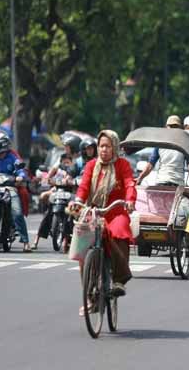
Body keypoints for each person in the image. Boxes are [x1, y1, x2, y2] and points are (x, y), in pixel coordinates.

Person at [70, 130, 136, 315]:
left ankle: (119, 280)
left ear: (114, 147)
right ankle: (90, 297)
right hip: (94, 212)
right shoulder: (91, 165)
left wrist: (130, 200)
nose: (103, 150)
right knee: (83, 247)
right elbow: (83, 187)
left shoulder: (122, 165)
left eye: (107, 146)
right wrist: (77, 201)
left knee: (120, 230)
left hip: (115, 211)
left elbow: (130, 183)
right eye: (101, 146)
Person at [0, 133, 32, 252]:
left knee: (17, 213)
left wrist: (20, 176)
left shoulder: (13, 156)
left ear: (1, 145)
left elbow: (20, 170)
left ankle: (25, 242)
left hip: (10, 188)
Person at [32, 153, 78, 250]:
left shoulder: (73, 171)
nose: (66, 164)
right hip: (56, 191)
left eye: (68, 162)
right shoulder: (57, 169)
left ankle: (69, 240)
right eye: (64, 162)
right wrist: (46, 179)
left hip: (69, 194)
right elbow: (47, 178)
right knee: (47, 213)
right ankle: (36, 239)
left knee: (72, 215)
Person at [136, 115, 189, 187]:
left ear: (166, 127)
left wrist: (140, 178)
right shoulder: (184, 143)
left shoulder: (160, 143)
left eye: (174, 127)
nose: (173, 129)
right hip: (176, 185)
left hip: (163, 183)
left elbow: (150, 165)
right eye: (172, 126)